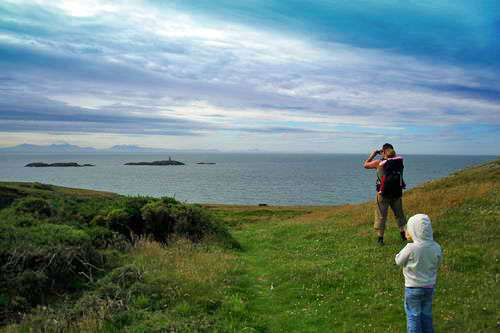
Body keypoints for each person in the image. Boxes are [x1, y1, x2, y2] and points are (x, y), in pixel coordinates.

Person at [395, 214, 442, 333]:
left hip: (413, 288)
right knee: (426, 313)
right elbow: (439, 261)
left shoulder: (410, 248)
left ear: (414, 231)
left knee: (413, 315)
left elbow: (398, 261)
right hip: (429, 287)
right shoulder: (436, 247)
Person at [363, 143, 407, 245]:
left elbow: (365, 165)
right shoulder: (399, 163)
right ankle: (403, 235)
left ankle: (380, 239)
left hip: (383, 194)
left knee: (381, 216)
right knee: (399, 214)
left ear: (383, 152)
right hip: (397, 192)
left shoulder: (379, 163)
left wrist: (373, 154)